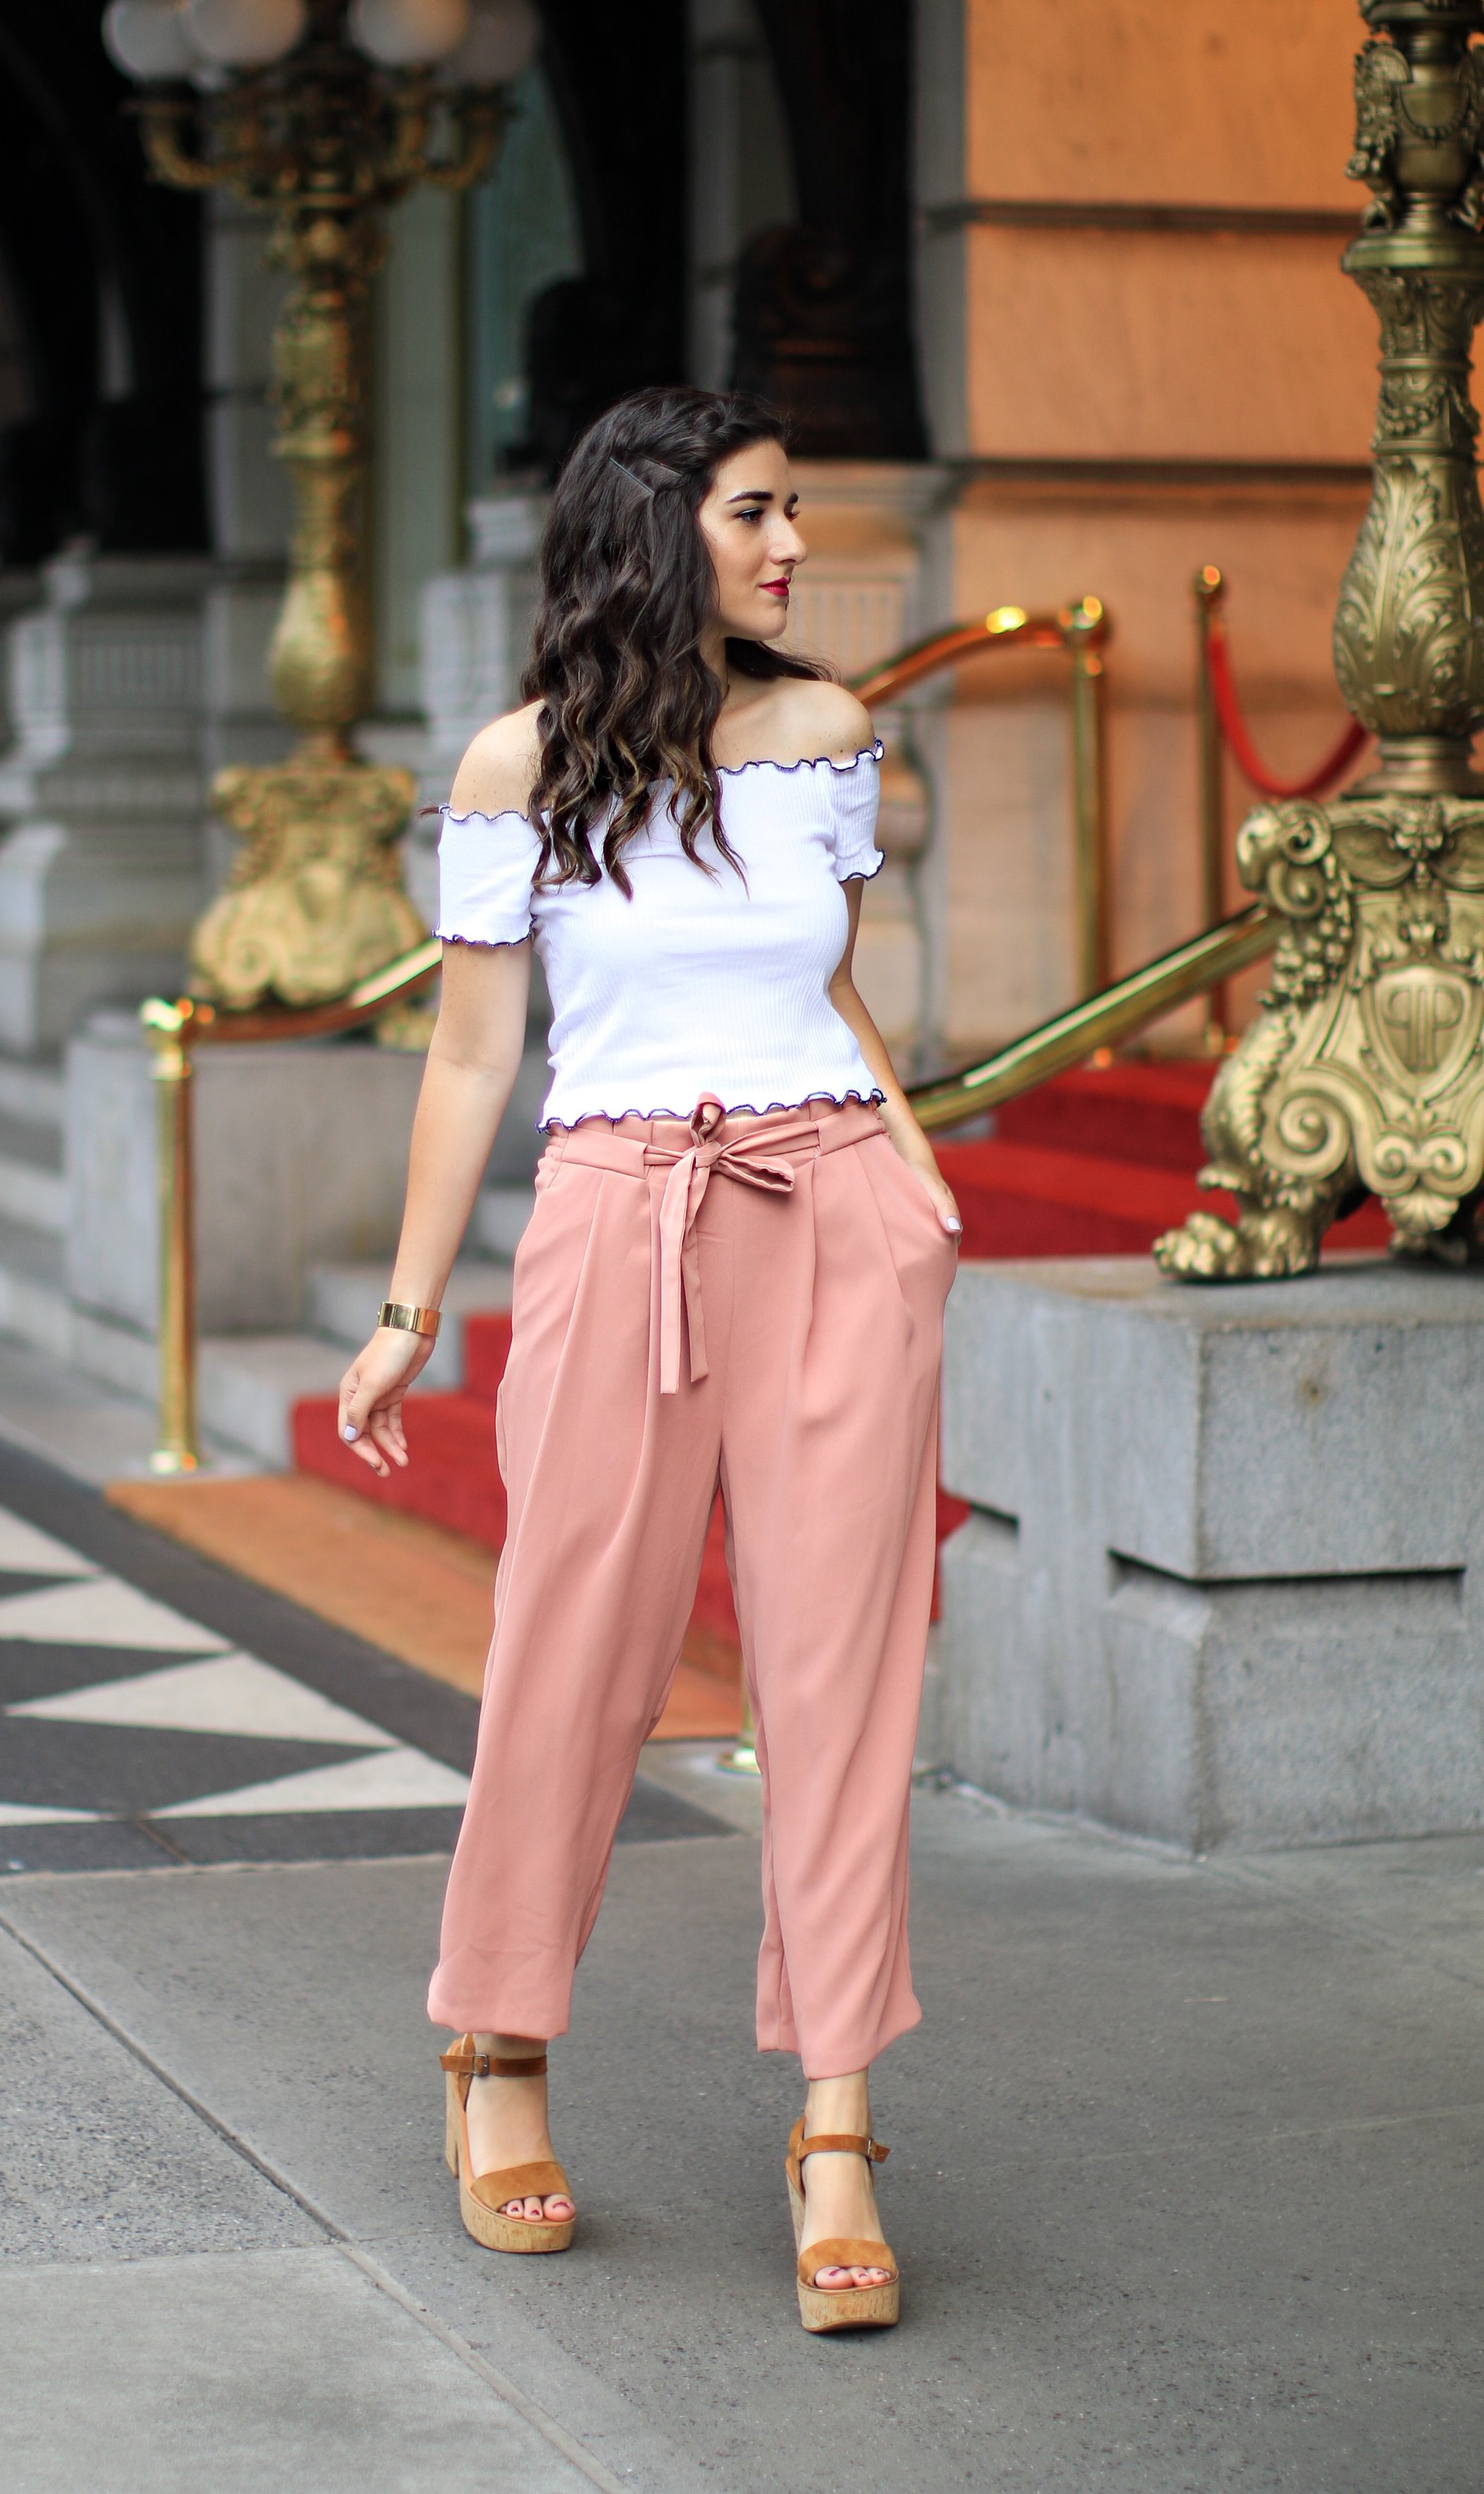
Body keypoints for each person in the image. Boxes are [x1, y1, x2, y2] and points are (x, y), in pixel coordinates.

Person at [337, 384, 960, 2334]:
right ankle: (498, 2050)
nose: (795, 547)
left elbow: (835, 983)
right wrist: (405, 1310)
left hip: (832, 1209)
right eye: (760, 512)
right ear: (652, 522)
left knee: (840, 1674)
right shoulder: (515, 768)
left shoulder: (827, 734)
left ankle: (837, 2122)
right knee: (573, 1653)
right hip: (618, 1221)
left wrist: (920, 1188)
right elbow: (466, 1059)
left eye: (796, 512)